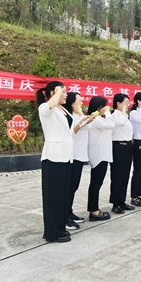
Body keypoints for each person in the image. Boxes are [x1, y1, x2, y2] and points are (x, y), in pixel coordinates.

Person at [37, 82, 90, 243]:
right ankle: (52, 233)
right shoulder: (46, 108)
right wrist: (58, 91)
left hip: (66, 157)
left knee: (61, 196)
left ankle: (60, 228)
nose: (66, 95)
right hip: (53, 158)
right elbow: (49, 106)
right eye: (63, 92)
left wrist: (81, 123)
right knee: (53, 197)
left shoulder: (63, 110)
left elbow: (70, 133)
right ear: (54, 93)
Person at [64, 92, 92, 230]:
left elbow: (88, 126)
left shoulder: (77, 116)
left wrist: (81, 114)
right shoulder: (69, 117)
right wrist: (81, 113)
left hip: (80, 155)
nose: (82, 103)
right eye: (79, 101)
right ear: (72, 103)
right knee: (69, 188)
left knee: (74, 187)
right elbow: (83, 126)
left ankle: (69, 212)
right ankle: (64, 217)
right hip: (72, 156)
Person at [87, 96, 115, 221]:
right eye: (105, 106)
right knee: (96, 184)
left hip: (102, 155)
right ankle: (94, 211)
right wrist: (108, 113)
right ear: (99, 107)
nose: (107, 108)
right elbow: (111, 124)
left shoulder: (98, 119)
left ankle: (94, 209)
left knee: (96, 184)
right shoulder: (95, 119)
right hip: (99, 155)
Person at [109, 93, 135, 215]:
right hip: (118, 146)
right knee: (117, 176)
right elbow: (120, 123)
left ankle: (122, 201)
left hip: (127, 146)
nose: (128, 105)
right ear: (118, 103)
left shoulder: (124, 116)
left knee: (125, 175)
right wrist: (124, 113)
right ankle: (115, 203)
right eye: (126, 102)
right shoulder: (114, 116)